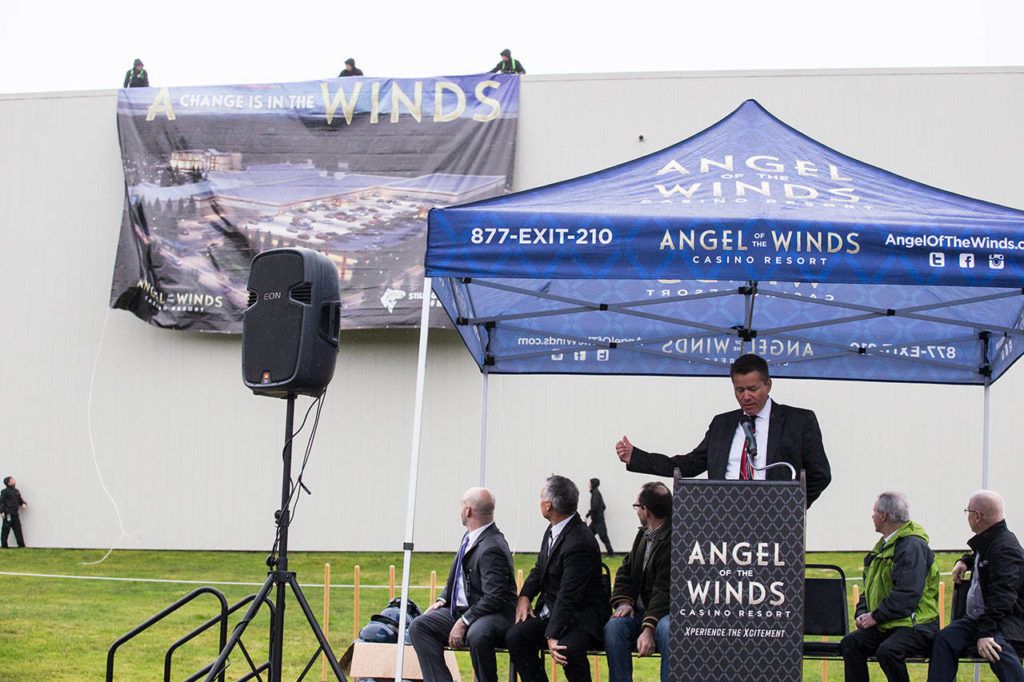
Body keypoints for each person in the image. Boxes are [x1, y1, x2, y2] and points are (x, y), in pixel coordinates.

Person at [614, 353, 831, 506]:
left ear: (768, 385)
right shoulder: (722, 424)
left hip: (777, 525)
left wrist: (794, 508)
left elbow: (820, 475)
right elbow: (689, 464)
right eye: (739, 390)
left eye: (753, 389)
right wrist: (637, 457)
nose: (746, 396)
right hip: (724, 522)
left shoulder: (799, 421)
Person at [506, 475, 610, 681]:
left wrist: (552, 634)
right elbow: (540, 568)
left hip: (582, 615)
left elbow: (569, 594)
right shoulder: (554, 528)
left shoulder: (579, 540)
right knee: (516, 637)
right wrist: (525, 596)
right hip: (556, 610)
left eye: (540, 498)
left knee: (565, 649)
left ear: (548, 506)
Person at [408, 487, 516, 682]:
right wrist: (443, 599)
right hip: (466, 610)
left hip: (494, 614)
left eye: (461, 506)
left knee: (477, 634)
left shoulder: (492, 547)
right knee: (419, 626)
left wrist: (464, 621)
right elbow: (456, 576)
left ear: (468, 511)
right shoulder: (470, 536)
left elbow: (495, 597)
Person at [840, 491, 940, 682]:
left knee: (888, 651)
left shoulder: (912, 546)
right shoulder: (883, 547)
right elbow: (869, 588)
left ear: (883, 515)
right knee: (851, 643)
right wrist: (862, 613)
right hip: (888, 622)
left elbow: (907, 594)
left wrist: (875, 616)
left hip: (915, 625)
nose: (872, 516)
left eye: (874, 511)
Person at [927, 490, 1024, 682]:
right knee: (944, 639)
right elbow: (982, 556)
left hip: (1005, 622)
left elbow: (1003, 597)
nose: (968, 516)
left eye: (968, 511)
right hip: (979, 620)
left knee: (995, 648)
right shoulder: (990, 540)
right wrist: (965, 562)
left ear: (977, 516)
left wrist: (986, 633)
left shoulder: (1005, 548)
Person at [603, 482, 672, 682]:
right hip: (640, 611)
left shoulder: (672, 539)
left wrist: (648, 628)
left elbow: (664, 591)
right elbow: (625, 570)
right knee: (614, 628)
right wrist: (623, 602)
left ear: (646, 510)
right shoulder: (643, 535)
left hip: (665, 614)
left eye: (636, 506)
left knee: (667, 630)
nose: (636, 511)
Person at [586, 478, 613, 555]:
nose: (588, 484)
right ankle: (588, 552)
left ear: (593, 484)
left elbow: (594, 507)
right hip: (596, 520)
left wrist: (587, 515)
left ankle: (611, 553)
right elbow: (603, 506)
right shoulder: (596, 493)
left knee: (603, 537)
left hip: (598, 521)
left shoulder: (596, 494)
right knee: (588, 535)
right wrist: (599, 513)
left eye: (589, 483)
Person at [1, 476, 27, 548]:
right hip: (8, 514)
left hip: (15, 514)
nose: (13, 480)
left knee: (18, 529)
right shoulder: (4, 492)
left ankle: (21, 545)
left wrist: (23, 504)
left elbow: (20, 500)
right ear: (8, 483)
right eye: (12, 480)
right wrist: (2, 512)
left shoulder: (16, 491)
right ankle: (4, 545)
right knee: (6, 529)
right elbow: (2, 502)